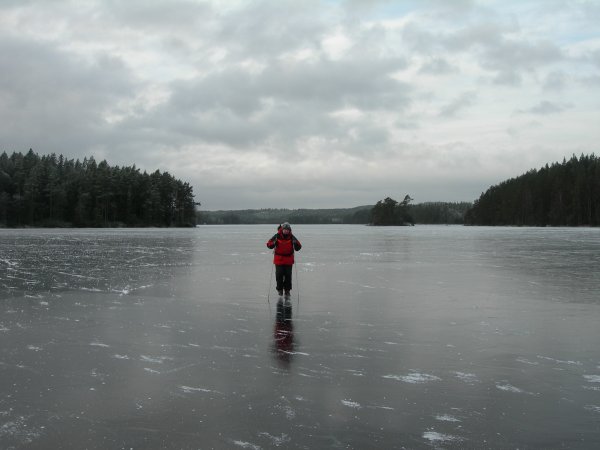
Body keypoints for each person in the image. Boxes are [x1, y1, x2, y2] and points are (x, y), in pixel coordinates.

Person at [266, 222, 302, 297]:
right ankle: (279, 290)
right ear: (282, 229)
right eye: (284, 229)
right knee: (279, 274)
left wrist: (295, 243)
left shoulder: (292, 237)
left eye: (287, 230)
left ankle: (287, 290)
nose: (286, 231)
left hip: (289, 260)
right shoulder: (277, 236)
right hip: (279, 260)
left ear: (289, 230)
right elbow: (268, 244)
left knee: (288, 275)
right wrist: (273, 243)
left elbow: (299, 247)